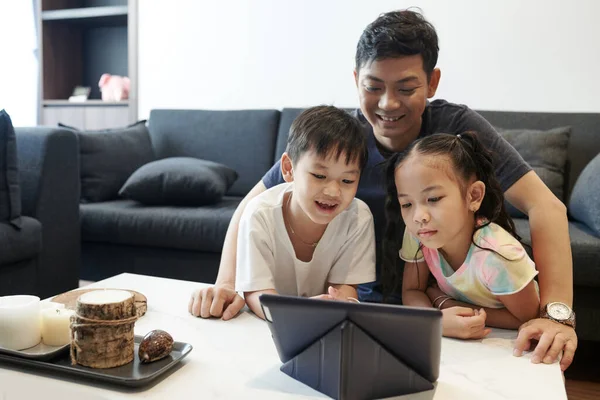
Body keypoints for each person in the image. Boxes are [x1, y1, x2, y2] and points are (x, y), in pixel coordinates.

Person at [188, 9, 577, 370]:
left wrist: (555, 314)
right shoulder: (340, 140)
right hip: (366, 306)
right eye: (373, 87)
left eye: (407, 87)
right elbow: (253, 204)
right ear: (356, 80)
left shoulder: (457, 126)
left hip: (451, 307)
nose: (388, 104)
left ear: (432, 82)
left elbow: (546, 207)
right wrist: (226, 283)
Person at [385, 131, 540, 339]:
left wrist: (444, 303)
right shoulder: (418, 234)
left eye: (433, 199)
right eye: (407, 204)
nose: (419, 216)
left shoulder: (499, 256)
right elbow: (412, 291)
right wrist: (434, 321)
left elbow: (527, 318)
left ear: (473, 196)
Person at [235, 106, 376, 319]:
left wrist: (337, 303)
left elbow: (345, 286)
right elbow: (256, 292)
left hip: (321, 326)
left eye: (347, 181)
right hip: (267, 325)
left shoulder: (358, 218)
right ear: (288, 169)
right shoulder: (259, 214)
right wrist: (297, 314)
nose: (333, 191)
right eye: (319, 176)